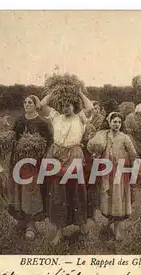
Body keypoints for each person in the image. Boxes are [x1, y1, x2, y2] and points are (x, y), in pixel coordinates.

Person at [44, 89, 95, 245]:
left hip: (74, 154)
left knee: (77, 191)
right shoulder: (56, 118)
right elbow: (42, 105)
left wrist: (78, 92)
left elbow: (90, 107)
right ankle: (59, 232)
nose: (65, 108)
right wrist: (56, 90)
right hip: (57, 156)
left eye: (68, 105)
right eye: (63, 105)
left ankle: (83, 230)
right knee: (58, 193)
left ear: (74, 105)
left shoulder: (80, 118)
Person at [88, 112, 141, 241]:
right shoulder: (104, 136)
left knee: (118, 198)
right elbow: (99, 151)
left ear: (121, 124)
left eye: (119, 122)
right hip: (107, 172)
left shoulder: (125, 138)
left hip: (119, 172)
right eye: (114, 121)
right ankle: (110, 220)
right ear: (109, 122)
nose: (116, 124)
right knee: (108, 196)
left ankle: (117, 228)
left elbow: (133, 155)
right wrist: (96, 155)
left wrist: (135, 170)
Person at [9, 95, 54, 240]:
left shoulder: (42, 122)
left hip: (34, 164)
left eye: (30, 102)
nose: (27, 104)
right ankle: (21, 220)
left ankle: (31, 225)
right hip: (18, 161)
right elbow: (12, 137)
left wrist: (38, 150)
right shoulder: (19, 121)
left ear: (36, 105)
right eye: (25, 102)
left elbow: (49, 142)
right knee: (18, 189)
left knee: (31, 191)